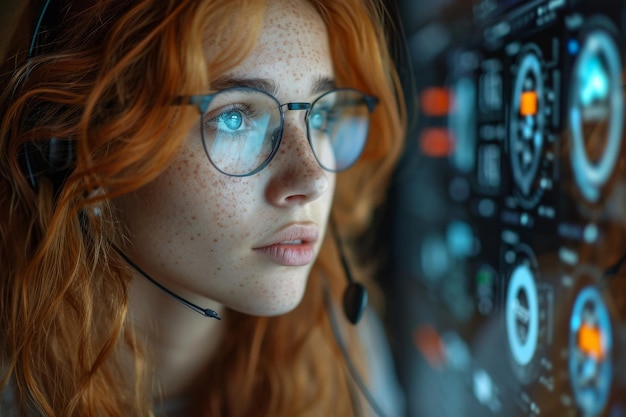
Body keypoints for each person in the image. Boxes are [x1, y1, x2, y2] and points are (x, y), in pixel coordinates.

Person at [0, 0, 407, 415]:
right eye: (234, 117)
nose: (313, 179)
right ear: (80, 148)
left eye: (321, 118)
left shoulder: (335, 335)